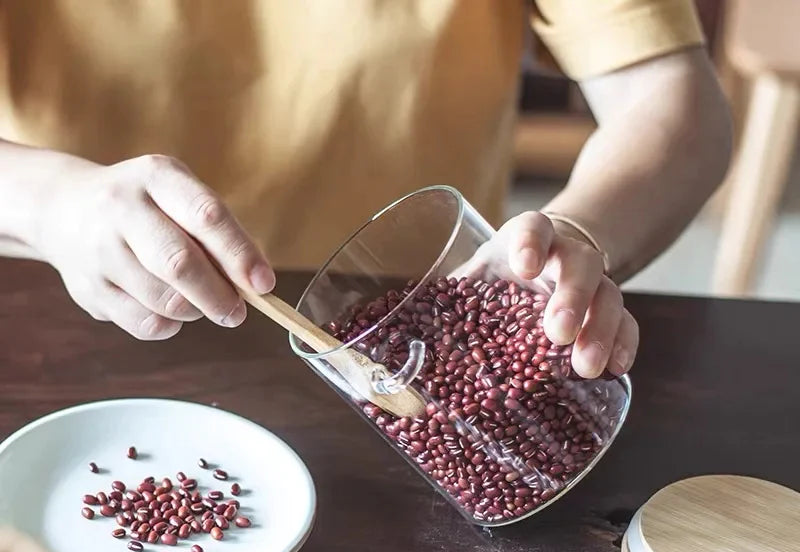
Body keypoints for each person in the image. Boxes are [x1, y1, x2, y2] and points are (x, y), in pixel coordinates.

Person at [0, 0, 730, 379]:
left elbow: (674, 102)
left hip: (425, 340)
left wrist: (580, 229)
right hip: (54, 319)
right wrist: (46, 201)